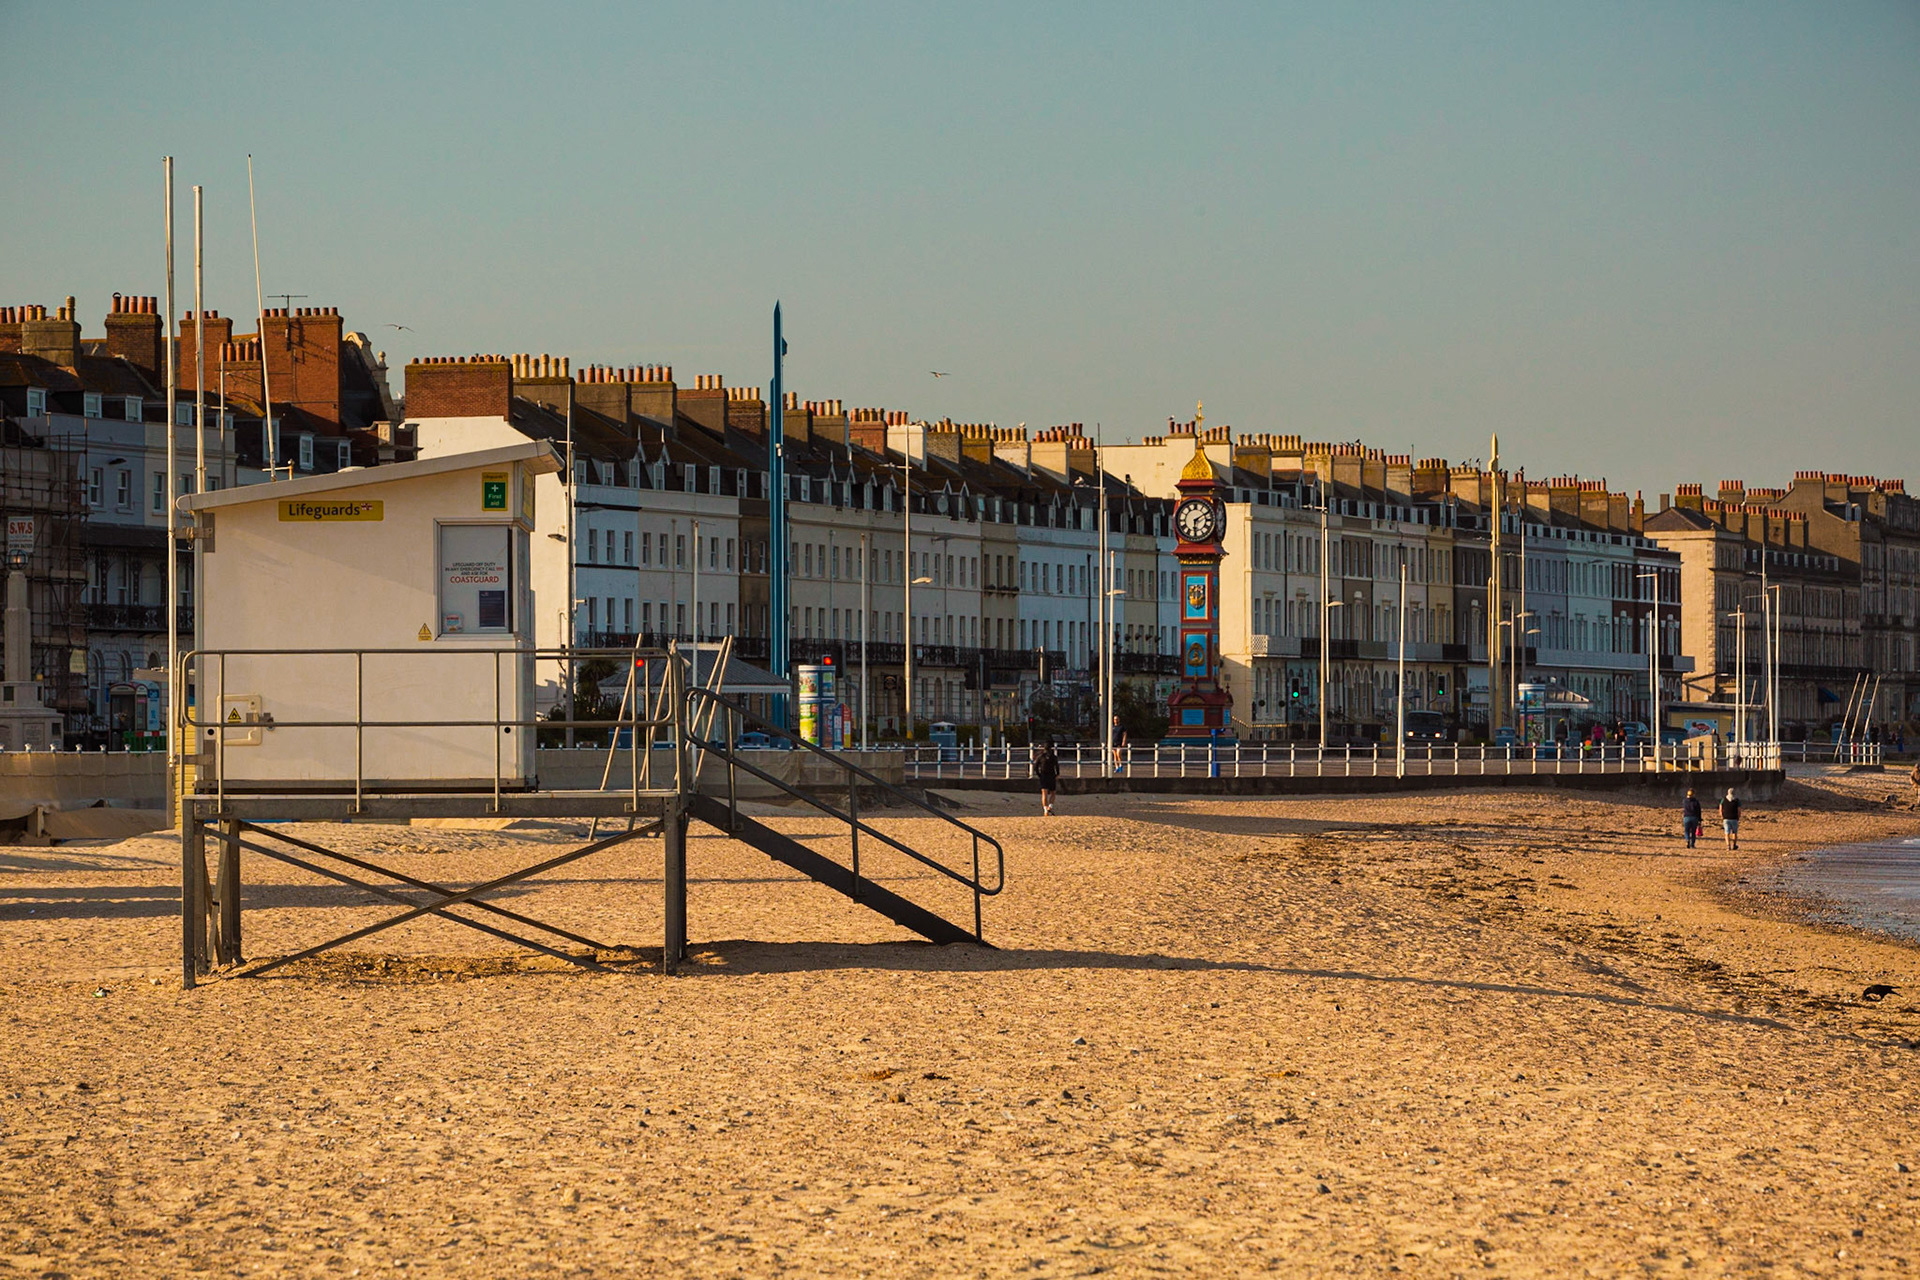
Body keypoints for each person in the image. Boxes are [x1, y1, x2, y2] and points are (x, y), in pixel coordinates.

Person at [1032, 741, 1060, 816]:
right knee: (1053, 793)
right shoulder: (1053, 757)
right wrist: (1057, 774)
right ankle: (1050, 806)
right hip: (1051, 775)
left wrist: (1039, 775)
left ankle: (1045, 809)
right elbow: (1057, 766)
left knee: (1044, 793)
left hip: (1043, 775)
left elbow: (1036, 767)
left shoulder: (1040, 757)